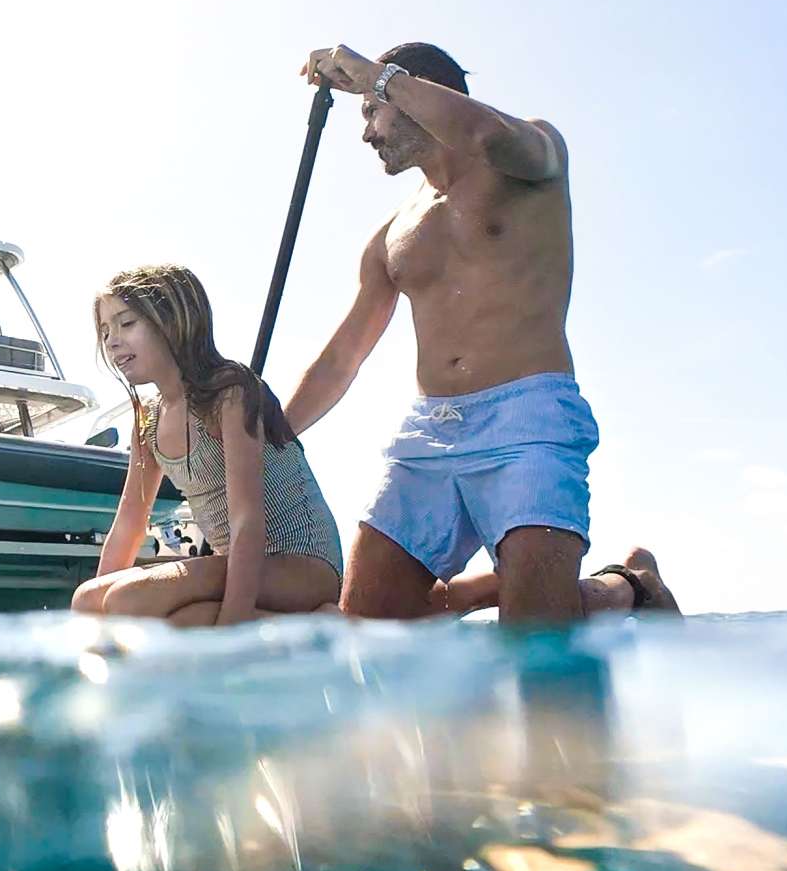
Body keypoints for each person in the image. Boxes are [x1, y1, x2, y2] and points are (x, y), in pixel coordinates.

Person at [286, 42, 678, 622]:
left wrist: (376, 75)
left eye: (370, 110)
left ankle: (629, 587)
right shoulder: (392, 233)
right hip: (430, 430)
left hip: (527, 418)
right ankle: (548, 589)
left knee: (539, 637)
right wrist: (269, 436)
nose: (366, 133)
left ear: (410, 88)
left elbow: (489, 138)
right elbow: (342, 358)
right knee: (370, 625)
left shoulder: (532, 155)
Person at [72, 264, 345, 626]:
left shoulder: (228, 394)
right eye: (105, 330)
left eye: (126, 323)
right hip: (241, 568)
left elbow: (247, 519)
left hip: (302, 563)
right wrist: (93, 624)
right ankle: (318, 627)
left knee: (130, 601)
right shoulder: (146, 421)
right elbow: (129, 524)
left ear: (172, 321)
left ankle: (311, 624)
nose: (111, 340)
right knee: (86, 599)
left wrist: (232, 627)